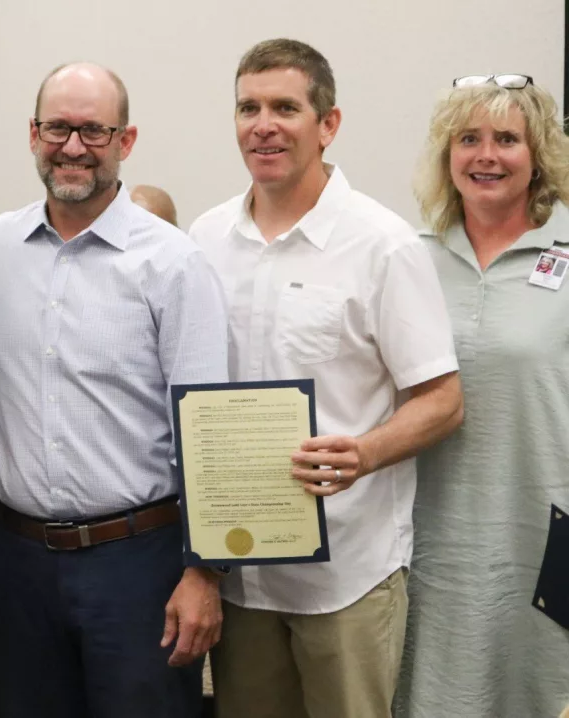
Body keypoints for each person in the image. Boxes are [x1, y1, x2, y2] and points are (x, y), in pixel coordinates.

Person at [189, 39, 464, 718]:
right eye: (248, 108)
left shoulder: (383, 244)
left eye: (285, 108)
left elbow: (443, 400)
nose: (263, 125)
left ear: (328, 124)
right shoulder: (204, 240)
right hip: (240, 573)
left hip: (349, 574)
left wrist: (364, 453)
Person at [0, 62, 230, 718]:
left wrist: (205, 573)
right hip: (16, 564)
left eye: (94, 130)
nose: (73, 146)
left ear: (126, 140)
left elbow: (210, 433)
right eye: (58, 128)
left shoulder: (175, 262)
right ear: (33, 134)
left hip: (139, 566)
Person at [395, 75, 569, 718]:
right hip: (431, 538)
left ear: (537, 155)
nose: (486, 156)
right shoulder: (409, 259)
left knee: (537, 689)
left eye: (507, 140)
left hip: (543, 533)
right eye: (468, 139)